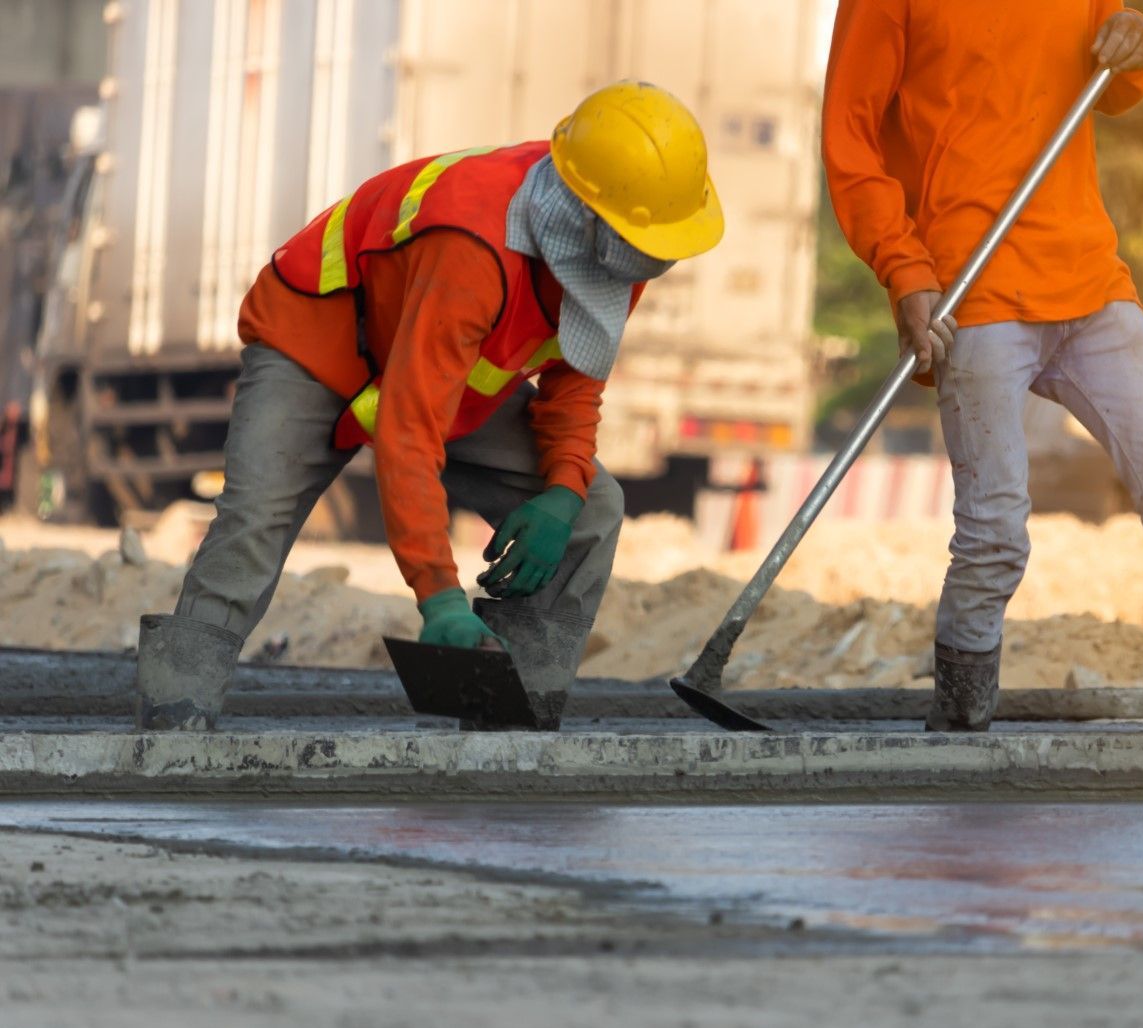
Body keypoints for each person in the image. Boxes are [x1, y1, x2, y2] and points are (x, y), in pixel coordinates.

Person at [134, 81, 724, 731]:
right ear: (585, 216)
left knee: (594, 506)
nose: (646, 270)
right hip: (317, 336)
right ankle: (177, 706)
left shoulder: (620, 248)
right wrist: (438, 595)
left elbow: (576, 380)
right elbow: (407, 433)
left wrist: (561, 491)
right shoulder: (473, 245)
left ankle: (514, 705)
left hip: (443, 366)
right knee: (255, 520)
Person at [822, 1, 1143, 732]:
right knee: (993, 533)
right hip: (972, 286)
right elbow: (849, 140)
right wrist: (903, 266)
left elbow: (1120, 75)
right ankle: (961, 725)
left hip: (1088, 277)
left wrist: (1138, 44)